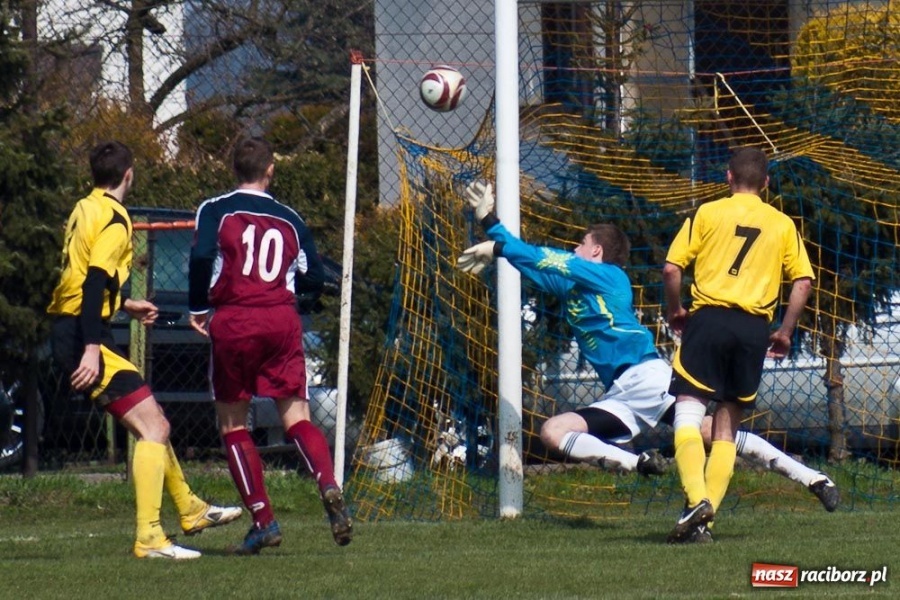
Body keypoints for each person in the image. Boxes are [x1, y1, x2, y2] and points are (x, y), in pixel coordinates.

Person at [457, 180, 836, 520]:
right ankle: (638, 463)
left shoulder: (609, 276)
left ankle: (810, 477)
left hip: (646, 375)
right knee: (553, 432)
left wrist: (499, 245)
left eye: (581, 244)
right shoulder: (573, 289)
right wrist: (490, 222)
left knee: (718, 432)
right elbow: (532, 262)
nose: (574, 249)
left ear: (596, 253)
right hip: (622, 393)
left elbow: (542, 257)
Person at [47, 140, 243, 560]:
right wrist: (92, 349)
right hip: (85, 335)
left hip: (76, 327)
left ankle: (190, 510)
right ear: (129, 175)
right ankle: (151, 537)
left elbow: (81, 275)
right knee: (154, 427)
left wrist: (126, 304)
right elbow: (93, 280)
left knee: (151, 425)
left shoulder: (85, 207)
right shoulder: (116, 220)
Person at [187, 136, 352, 555]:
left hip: (237, 318)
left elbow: (203, 256)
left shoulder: (216, 209)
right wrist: (301, 299)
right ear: (271, 170)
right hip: (281, 319)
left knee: (233, 423)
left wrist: (198, 306)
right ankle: (328, 483)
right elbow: (314, 275)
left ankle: (263, 520)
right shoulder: (290, 218)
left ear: (233, 169)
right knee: (297, 415)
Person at [662, 146, 815, 544]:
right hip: (753, 328)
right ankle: (703, 526)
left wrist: (676, 308)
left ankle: (697, 499)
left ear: (727, 177)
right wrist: (785, 330)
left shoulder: (707, 213)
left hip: (708, 320)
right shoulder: (782, 224)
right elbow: (803, 282)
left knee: (688, 416)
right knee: (727, 425)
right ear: (766, 183)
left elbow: (671, 268)